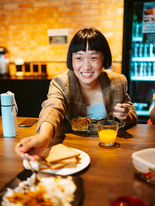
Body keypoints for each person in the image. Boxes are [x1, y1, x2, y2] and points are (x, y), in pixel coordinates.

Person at [15, 28, 137, 160]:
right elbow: (52, 107)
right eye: (79, 58)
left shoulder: (117, 82)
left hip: (109, 152)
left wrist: (125, 115)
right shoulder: (62, 82)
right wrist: (43, 137)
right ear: (71, 60)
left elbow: (132, 113)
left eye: (93, 58)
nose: (86, 66)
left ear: (104, 59)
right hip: (71, 150)